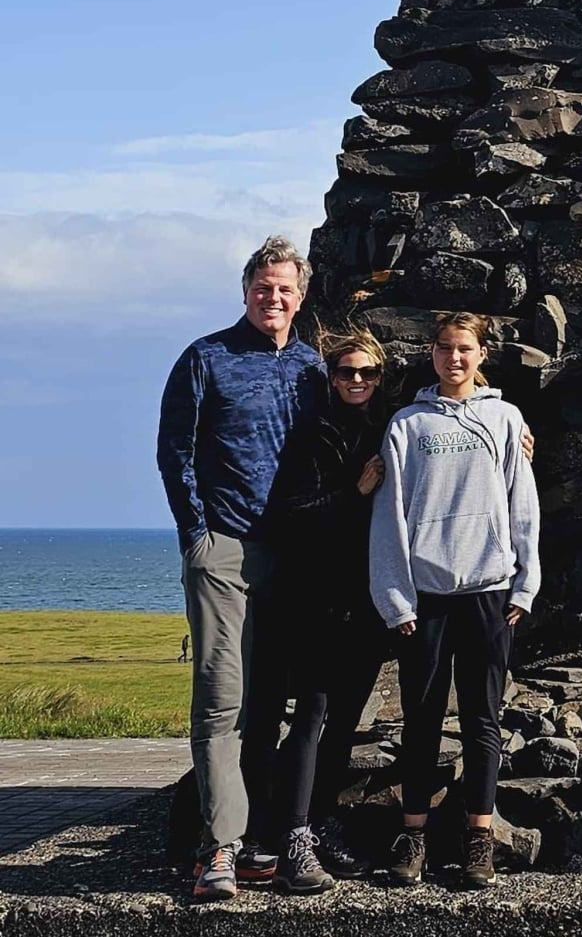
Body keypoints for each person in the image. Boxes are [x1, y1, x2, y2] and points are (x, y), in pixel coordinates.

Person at [156, 236, 325, 901]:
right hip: (225, 547)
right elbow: (175, 452)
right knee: (221, 699)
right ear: (246, 290)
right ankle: (217, 849)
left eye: (285, 288)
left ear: (301, 296)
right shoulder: (206, 358)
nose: (273, 297)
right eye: (263, 286)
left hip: (295, 555)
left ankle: (263, 843)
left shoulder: (315, 368)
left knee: (271, 704)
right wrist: (197, 536)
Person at [369, 312, 540, 889]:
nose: (454, 358)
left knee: (481, 720)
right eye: (445, 348)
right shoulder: (407, 425)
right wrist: (396, 598)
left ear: (481, 354)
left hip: (490, 593)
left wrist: (524, 584)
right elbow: (389, 518)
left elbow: (523, 507)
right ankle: (412, 837)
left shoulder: (505, 418)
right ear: (432, 354)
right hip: (427, 596)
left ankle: (479, 839)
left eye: (465, 349)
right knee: (420, 719)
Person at [261, 327, 395, 893]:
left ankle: (320, 822)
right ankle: (292, 835)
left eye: (367, 373)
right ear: (331, 377)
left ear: (380, 377)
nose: (357, 381)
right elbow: (292, 513)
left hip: (367, 599)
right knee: (312, 718)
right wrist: (355, 492)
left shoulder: (392, 428)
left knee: (343, 721)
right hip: (317, 598)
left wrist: (515, 439)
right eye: (346, 373)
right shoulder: (313, 431)